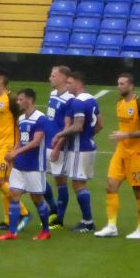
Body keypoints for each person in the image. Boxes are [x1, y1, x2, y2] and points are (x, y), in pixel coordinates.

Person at [96, 72, 140, 240]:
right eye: (118, 83)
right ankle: (111, 226)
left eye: (122, 84)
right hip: (121, 152)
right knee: (111, 186)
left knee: (138, 191)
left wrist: (126, 136)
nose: (119, 86)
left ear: (131, 86)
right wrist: (121, 139)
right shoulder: (119, 103)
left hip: (137, 154)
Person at [0, 88, 53, 241]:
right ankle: (12, 232)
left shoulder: (40, 118)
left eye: (21, 99)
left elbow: (35, 142)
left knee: (37, 198)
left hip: (35, 166)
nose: (18, 102)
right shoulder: (21, 119)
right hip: (20, 165)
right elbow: (21, 140)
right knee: (14, 194)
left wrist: (16, 152)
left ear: (29, 100)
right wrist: (13, 157)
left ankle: (46, 231)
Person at [50, 70, 100, 233]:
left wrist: (60, 134)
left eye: (70, 83)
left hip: (79, 148)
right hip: (89, 145)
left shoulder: (78, 102)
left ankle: (88, 221)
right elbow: (100, 124)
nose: (68, 86)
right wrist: (88, 136)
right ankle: (87, 220)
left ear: (79, 83)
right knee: (78, 182)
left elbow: (77, 126)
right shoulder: (92, 99)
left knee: (78, 183)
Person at [0, 68, 28, 234]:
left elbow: (22, 121)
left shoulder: (11, 99)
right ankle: (9, 219)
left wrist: (18, 147)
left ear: (1, 80)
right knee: (5, 182)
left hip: (8, 148)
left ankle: (24, 212)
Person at [44, 65, 74, 228]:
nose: (50, 78)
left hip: (59, 146)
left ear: (63, 78)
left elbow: (66, 126)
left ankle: (59, 218)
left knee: (60, 180)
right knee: (39, 176)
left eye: (53, 75)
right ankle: (53, 208)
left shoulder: (69, 99)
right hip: (47, 142)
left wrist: (57, 147)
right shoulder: (53, 94)